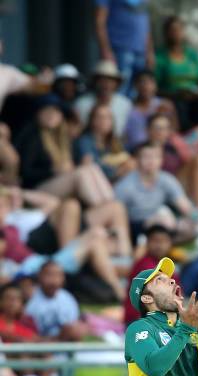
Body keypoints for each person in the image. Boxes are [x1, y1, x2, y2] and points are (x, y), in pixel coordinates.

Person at [14, 95, 132, 256]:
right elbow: (25, 173)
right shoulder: (32, 135)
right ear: (38, 114)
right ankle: (102, 207)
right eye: (47, 111)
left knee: (92, 171)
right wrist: (54, 171)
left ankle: (125, 258)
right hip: (38, 190)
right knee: (82, 173)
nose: (52, 115)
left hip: (61, 193)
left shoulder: (63, 138)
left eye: (56, 112)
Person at [114, 141, 198, 243]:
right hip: (136, 225)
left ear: (161, 160)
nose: (151, 161)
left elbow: (184, 205)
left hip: (162, 221)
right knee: (164, 220)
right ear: (137, 160)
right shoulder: (126, 185)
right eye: (146, 157)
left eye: (155, 157)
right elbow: (116, 215)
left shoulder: (166, 179)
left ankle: (162, 244)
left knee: (187, 226)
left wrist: (196, 217)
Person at [155, 16, 198, 131]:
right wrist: (177, 94)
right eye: (172, 30)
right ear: (166, 33)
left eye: (179, 30)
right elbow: (156, 89)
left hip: (195, 97)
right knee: (179, 107)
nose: (176, 34)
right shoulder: (160, 57)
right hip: (174, 97)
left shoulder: (192, 55)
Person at [146, 113, 198, 221]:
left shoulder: (172, 147)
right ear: (149, 130)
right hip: (156, 188)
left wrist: (180, 146)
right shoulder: (142, 150)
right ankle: (195, 216)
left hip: (176, 184)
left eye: (165, 128)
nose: (162, 132)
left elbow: (187, 161)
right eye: (158, 128)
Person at [124, 224, 180, 326]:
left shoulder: (167, 266)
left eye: (164, 241)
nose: (160, 245)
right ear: (147, 243)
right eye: (156, 241)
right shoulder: (145, 265)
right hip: (139, 319)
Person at [94, 0, 153, 95]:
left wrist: (150, 51)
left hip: (141, 52)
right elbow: (99, 20)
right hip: (119, 49)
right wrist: (105, 49)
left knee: (138, 94)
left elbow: (145, 24)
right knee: (120, 92)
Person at [24, 261, 87, 339]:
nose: (54, 280)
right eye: (49, 275)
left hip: (66, 346)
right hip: (40, 346)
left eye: (58, 275)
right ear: (39, 276)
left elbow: (74, 328)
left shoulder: (68, 298)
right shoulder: (30, 298)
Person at [74, 103, 135, 182]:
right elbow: (89, 165)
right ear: (92, 120)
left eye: (108, 117)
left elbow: (127, 159)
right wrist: (117, 170)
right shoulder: (84, 141)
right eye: (100, 117)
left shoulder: (114, 141)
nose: (105, 121)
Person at [74, 60, 132, 136]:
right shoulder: (81, 104)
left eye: (110, 80)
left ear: (116, 84)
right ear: (95, 82)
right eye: (102, 80)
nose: (106, 84)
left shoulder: (126, 104)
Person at [123, 69, 177, 150]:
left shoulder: (165, 105)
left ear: (155, 85)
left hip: (161, 149)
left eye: (150, 82)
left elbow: (174, 131)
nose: (146, 86)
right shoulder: (128, 107)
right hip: (134, 150)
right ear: (135, 85)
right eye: (142, 82)